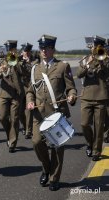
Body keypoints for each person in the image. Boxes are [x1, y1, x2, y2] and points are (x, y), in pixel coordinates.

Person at [27, 34, 77, 191]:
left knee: (57, 147)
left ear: (52, 49)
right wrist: (29, 100)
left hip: (56, 113)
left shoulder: (62, 66)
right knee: (36, 142)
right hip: (38, 114)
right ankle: (46, 168)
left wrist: (72, 96)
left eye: (46, 48)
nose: (43, 50)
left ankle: (55, 178)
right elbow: (30, 90)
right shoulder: (35, 68)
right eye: (41, 48)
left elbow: (71, 87)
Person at [76, 35, 109, 161]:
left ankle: (96, 151)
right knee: (84, 124)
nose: (94, 49)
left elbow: (106, 74)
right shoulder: (85, 60)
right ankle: (90, 143)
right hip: (86, 97)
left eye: (97, 47)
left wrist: (101, 61)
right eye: (93, 47)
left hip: (101, 97)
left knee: (99, 126)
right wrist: (88, 64)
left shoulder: (106, 60)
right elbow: (79, 74)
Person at [0, 40, 24, 153]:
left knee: (14, 119)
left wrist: (15, 63)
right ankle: (9, 135)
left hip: (16, 94)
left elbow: (23, 72)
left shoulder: (20, 60)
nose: (10, 51)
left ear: (15, 49)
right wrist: (0, 71)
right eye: (8, 49)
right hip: (4, 94)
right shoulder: (1, 61)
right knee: (2, 117)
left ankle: (12, 143)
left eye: (12, 49)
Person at [18, 42, 38, 139]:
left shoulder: (35, 62)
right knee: (20, 111)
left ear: (29, 52)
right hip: (21, 88)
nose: (24, 53)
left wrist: (28, 62)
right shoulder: (19, 61)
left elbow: (33, 71)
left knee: (29, 110)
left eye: (26, 51)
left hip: (31, 88)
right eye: (23, 51)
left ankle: (28, 131)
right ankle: (25, 126)